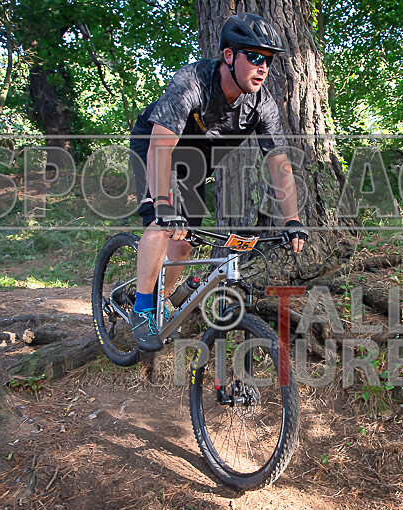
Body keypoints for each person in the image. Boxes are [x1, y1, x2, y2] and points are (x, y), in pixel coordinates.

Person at [128, 13, 308, 352]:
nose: (263, 67)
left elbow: (279, 163)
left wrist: (293, 220)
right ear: (229, 56)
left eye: (267, 60)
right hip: (154, 149)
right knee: (161, 225)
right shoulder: (192, 82)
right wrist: (164, 205)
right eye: (254, 56)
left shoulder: (261, 104)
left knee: (184, 243)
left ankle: (161, 298)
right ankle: (141, 309)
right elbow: (160, 146)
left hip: (194, 164)